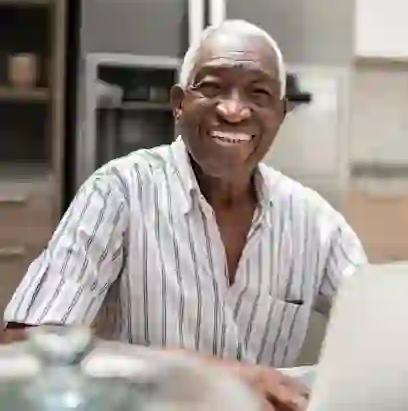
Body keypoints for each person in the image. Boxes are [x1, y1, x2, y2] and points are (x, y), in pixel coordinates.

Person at [3, 20, 366, 410]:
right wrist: (215, 373)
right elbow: (27, 343)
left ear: (280, 113)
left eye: (258, 93)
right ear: (178, 103)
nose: (233, 110)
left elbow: (383, 334)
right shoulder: (119, 191)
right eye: (212, 88)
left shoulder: (316, 222)